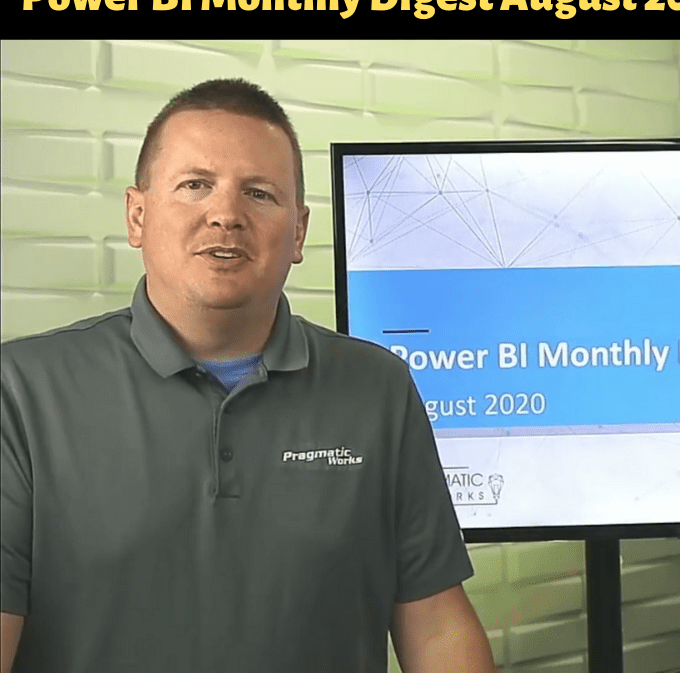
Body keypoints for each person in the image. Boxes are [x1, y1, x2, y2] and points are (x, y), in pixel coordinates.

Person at [0, 79, 496, 673]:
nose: (226, 215)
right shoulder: (21, 394)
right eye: (195, 185)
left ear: (299, 232)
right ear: (137, 216)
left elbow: (438, 630)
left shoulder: (378, 389)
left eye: (259, 194)